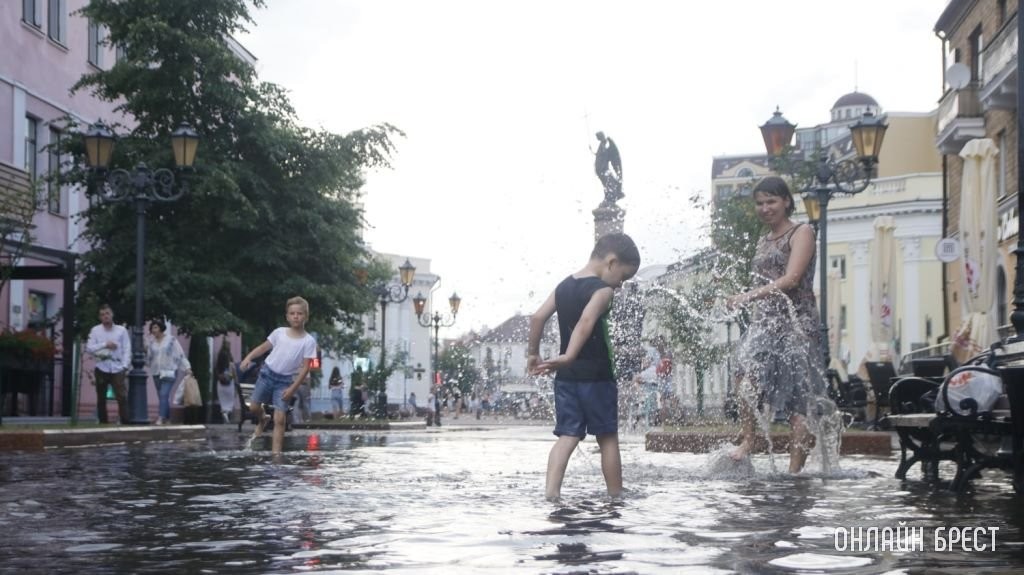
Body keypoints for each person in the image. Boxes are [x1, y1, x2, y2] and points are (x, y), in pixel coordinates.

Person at [528, 232, 641, 500]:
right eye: (623, 278)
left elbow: (537, 317)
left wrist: (533, 353)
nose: (620, 286)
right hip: (597, 376)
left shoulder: (563, 285)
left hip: (566, 377)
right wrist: (569, 355)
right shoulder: (602, 291)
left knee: (567, 435)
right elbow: (587, 321)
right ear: (611, 263)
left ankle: (551, 493)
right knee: (607, 437)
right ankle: (615, 494)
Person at [726, 176, 825, 474]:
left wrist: (747, 296)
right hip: (765, 323)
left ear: (786, 202)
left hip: (798, 323)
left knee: (799, 403)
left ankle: (794, 473)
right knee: (744, 380)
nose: (765, 208)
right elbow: (765, 281)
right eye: (760, 203)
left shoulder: (802, 232)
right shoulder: (762, 240)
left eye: (771, 201)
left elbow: (792, 279)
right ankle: (750, 440)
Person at [240, 296, 318, 454]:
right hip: (266, 374)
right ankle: (263, 418)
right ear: (287, 316)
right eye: (292, 313)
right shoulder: (279, 333)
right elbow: (263, 348)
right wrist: (248, 357)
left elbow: (305, 369)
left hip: (284, 382)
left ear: (306, 316)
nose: (296, 316)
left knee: (280, 419)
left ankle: (276, 455)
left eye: (299, 313)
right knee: (254, 407)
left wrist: (292, 389)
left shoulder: (308, 341)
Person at [85, 304, 131, 424]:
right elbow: (89, 348)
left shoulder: (121, 330)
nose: (105, 316)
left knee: (121, 396)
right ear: (100, 317)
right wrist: (105, 344)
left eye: (107, 313)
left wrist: (125, 366)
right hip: (102, 366)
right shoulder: (95, 330)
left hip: (117, 367)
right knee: (101, 397)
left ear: (112, 315)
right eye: (102, 314)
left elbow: (127, 348)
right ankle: (103, 421)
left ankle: (125, 421)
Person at [145, 319, 192, 425]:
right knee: (162, 396)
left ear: (161, 328)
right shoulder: (151, 343)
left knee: (163, 394)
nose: (153, 330)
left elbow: (180, 355)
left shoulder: (171, 340)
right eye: (152, 328)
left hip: (170, 371)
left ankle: (161, 418)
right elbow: (148, 360)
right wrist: (146, 349)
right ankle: (167, 418)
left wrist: (187, 368)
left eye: (155, 327)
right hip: (156, 372)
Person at [594, 131, 623, 206]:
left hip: (604, 169)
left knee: (608, 182)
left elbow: (607, 154)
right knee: (605, 183)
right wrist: (594, 152)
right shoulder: (602, 144)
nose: (597, 138)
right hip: (601, 170)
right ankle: (608, 197)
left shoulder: (606, 143)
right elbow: (601, 155)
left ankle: (612, 196)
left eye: (597, 137)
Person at [214, 343, 238, 424]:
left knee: (223, 402)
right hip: (229, 385)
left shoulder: (218, 365)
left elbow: (216, 375)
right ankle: (227, 414)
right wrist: (236, 388)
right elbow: (235, 376)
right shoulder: (231, 365)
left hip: (220, 385)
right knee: (230, 402)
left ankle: (224, 414)